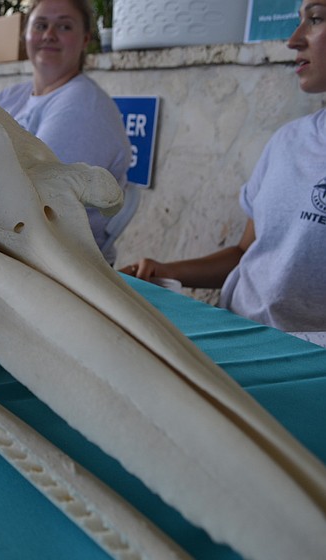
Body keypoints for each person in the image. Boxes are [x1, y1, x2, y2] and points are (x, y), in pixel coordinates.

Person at [121, 0, 326, 338]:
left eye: (316, 19)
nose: (294, 39)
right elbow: (246, 253)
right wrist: (166, 270)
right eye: (299, 19)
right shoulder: (288, 140)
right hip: (231, 330)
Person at [0, 0, 131, 264]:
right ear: (26, 36)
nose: (49, 35)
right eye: (41, 25)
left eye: (64, 26)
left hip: (57, 265)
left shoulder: (84, 105)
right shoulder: (12, 96)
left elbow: (32, 197)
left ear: (85, 39)